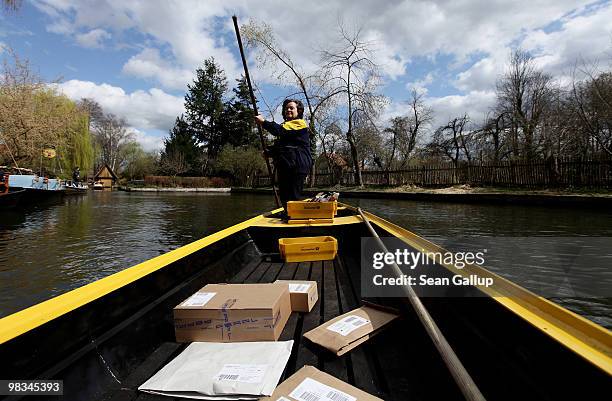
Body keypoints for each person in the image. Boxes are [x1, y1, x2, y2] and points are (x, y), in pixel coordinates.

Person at [255, 99, 312, 218]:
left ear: (299, 111)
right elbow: (283, 146)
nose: (288, 110)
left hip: (297, 164)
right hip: (286, 164)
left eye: (291, 108)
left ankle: (297, 220)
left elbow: (280, 131)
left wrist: (263, 122)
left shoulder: (299, 123)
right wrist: (269, 152)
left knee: (293, 195)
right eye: (286, 108)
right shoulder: (287, 127)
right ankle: (288, 214)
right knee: (284, 195)